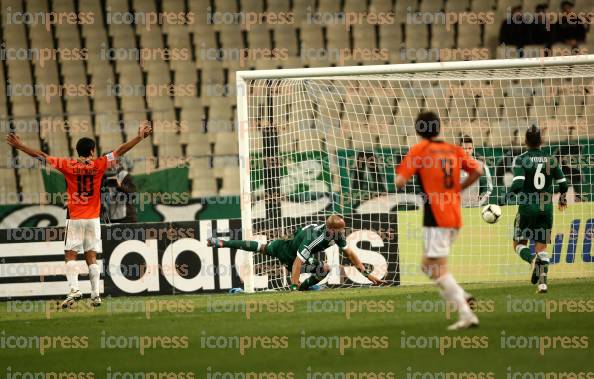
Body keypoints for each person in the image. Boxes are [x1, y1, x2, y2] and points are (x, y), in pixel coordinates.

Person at [6, 124, 153, 308]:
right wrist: (139, 137)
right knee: (91, 255)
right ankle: (95, 294)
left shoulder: (68, 165)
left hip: (75, 218)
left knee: (70, 255)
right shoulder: (100, 164)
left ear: (77, 151)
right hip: (93, 219)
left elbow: (42, 157)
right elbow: (121, 150)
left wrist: (20, 146)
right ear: (92, 151)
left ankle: (74, 289)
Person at [394, 111, 483, 330]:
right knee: (427, 266)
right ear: (439, 127)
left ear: (418, 130)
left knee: (437, 267)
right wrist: (457, 189)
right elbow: (478, 170)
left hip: (436, 217)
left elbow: (399, 181)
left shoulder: (419, 150)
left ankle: (465, 311)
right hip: (454, 215)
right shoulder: (454, 149)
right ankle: (462, 296)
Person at [207, 214, 385, 290]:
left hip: (285, 244)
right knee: (324, 269)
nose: (343, 233)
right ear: (331, 230)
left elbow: (351, 254)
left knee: (261, 247)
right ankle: (300, 288)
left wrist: (367, 275)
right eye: (340, 231)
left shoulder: (334, 234)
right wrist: (293, 284)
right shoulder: (315, 237)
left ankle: (223, 242)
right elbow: (298, 263)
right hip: (288, 255)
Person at [507, 126, 568, 293]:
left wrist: (506, 197)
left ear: (525, 141)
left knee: (519, 243)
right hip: (546, 208)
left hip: (527, 208)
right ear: (541, 140)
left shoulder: (521, 159)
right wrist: (562, 198)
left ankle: (531, 259)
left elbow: (518, 184)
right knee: (542, 248)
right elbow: (563, 184)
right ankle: (542, 284)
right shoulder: (551, 159)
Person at [459, 135, 494, 207]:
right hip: (458, 207)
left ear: (473, 149)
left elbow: (489, 188)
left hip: (474, 207)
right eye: (464, 148)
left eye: (469, 148)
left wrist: (479, 203)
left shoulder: (481, 165)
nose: (467, 151)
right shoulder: (453, 166)